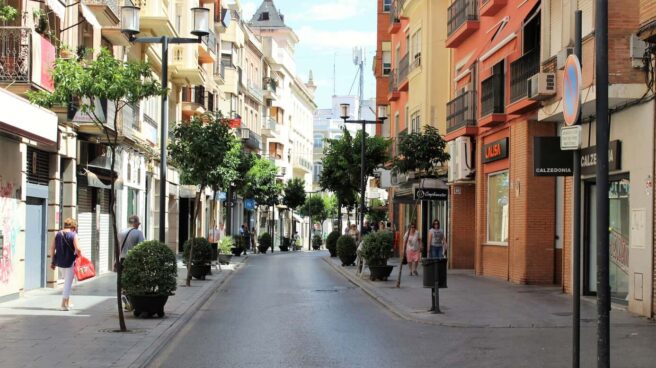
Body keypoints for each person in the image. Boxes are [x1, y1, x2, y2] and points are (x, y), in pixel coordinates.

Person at [49, 218, 83, 311]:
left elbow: (52, 248)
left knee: (66, 282)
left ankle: (67, 302)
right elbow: (78, 249)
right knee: (68, 283)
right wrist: (80, 256)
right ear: (73, 226)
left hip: (60, 262)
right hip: (70, 262)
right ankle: (63, 304)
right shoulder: (73, 235)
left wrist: (53, 261)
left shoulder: (58, 234)